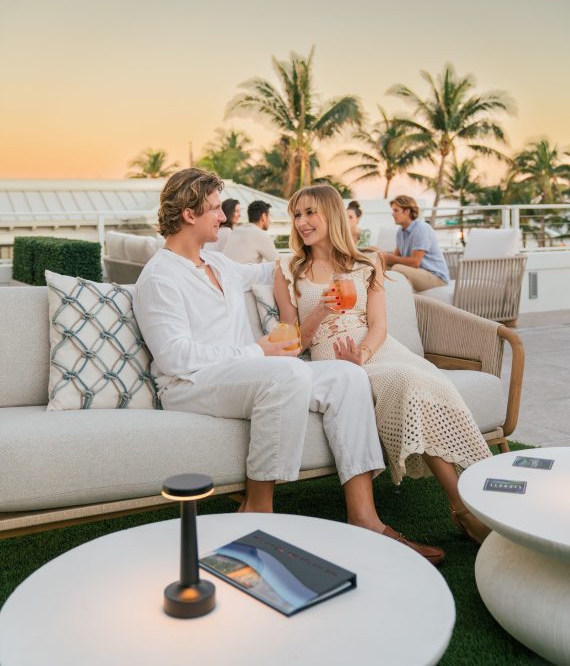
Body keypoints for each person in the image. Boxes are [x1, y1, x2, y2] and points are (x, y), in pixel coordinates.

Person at [134, 168, 444, 564]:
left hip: (245, 374)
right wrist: (258, 351)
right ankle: (258, 509)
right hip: (189, 384)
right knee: (289, 371)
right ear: (190, 214)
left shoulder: (219, 265)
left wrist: (355, 256)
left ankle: (364, 517)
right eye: (214, 209)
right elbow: (174, 357)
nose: (224, 217)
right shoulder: (159, 276)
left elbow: (285, 267)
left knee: (348, 376)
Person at [274, 184, 492, 545]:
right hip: (333, 362)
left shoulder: (367, 262)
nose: (302, 222)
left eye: (310, 212)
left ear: (331, 214)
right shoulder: (287, 270)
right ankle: (464, 509)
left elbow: (379, 326)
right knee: (410, 381)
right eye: (296, 215)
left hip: (376, 351)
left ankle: (473, 501)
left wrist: (362, 355)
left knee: (424, 381)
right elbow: (293, 342)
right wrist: (322, 310)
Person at [381, 195, 449, 292]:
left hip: (436, 277)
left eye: (396, 210)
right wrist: (379, 257)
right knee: (381, 268)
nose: (392, 214)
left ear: (407, 211)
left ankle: (405, 303)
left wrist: (388, 257)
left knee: (397, 268)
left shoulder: (421, 228)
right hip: (418, 273)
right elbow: (396, 257)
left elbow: (415, 262)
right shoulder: (401, 232)